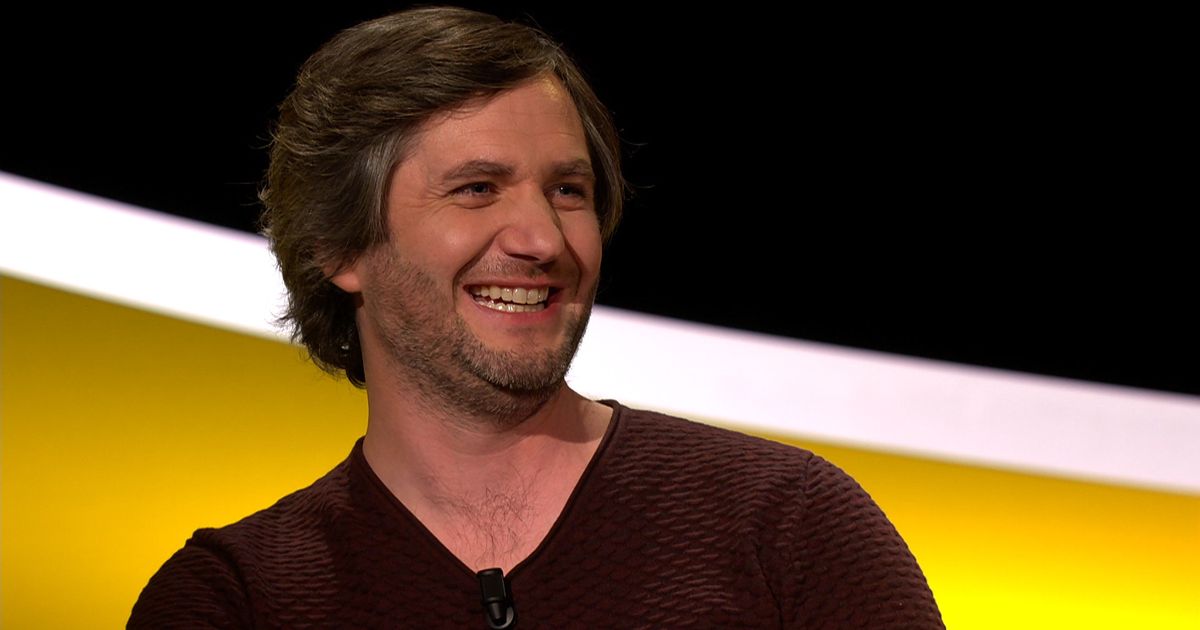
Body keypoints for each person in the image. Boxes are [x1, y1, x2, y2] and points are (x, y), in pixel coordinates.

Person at [129, 6, 943, 628]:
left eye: (567, 191)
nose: (544, 240)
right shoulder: (236, 598)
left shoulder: (787, 525)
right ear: (339, 247)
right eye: (477, 189)